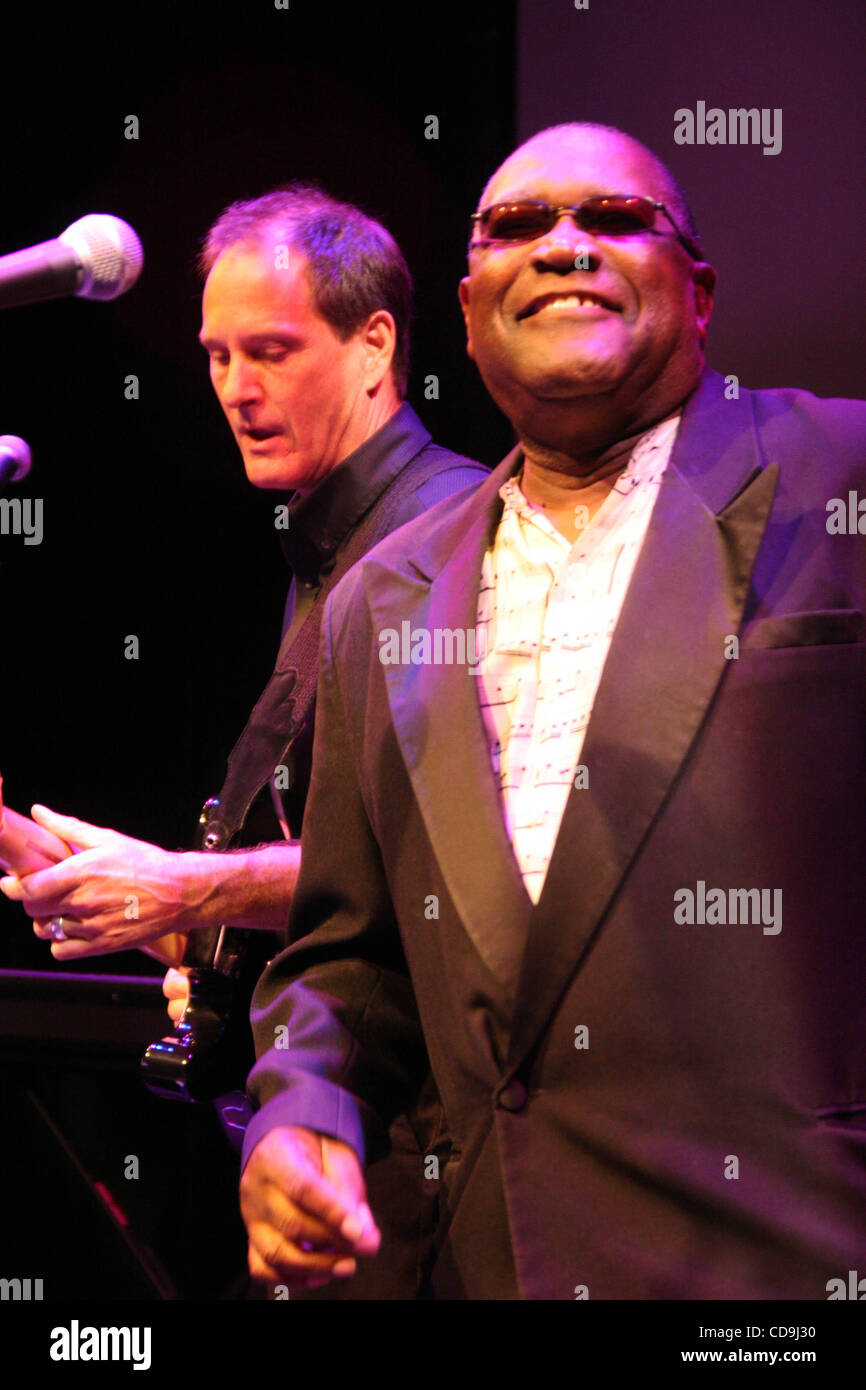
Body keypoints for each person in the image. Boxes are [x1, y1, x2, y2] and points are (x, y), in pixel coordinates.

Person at [237, 124, 866, 1299]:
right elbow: (344, 954)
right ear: (470, 313)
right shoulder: (386, 595)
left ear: (699, 289)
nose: (564, 246)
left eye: (613, 219)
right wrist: (299, 1107)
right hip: (502, 1263)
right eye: (517, 228)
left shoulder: (840, 472)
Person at [0, 184, 486, 1297]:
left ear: (375, 348)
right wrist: (143, 898)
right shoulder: (330, 547)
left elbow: (435, 881)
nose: (234, 388)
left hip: (423, 1186)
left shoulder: (438, 541)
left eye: (268, 350)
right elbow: (321, 903)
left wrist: (188, 889)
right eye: (217, 354)